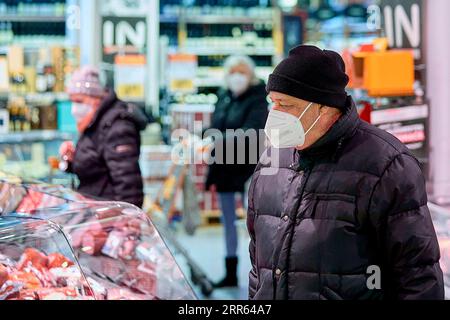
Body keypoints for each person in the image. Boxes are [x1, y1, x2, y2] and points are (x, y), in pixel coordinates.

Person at [247, 45, 444, 300]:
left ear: (323, 109)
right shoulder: (271, 162)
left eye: (287, 105)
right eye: (273, 102)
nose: (275, 115)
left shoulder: (386, 165)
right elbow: (257, 265)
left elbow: (417, 275)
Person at [205, 55, 269, 288]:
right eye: (232, 72)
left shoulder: (258, 99)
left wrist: (215, 139)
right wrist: (201, 138)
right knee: (228, 221)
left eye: (242, 72)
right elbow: (213, 125)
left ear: (250, 75)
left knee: (256, 224)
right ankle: (230, 272)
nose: (237, 76)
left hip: (248, 168)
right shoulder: (223, 97)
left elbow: (251, 131)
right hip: (223, 168)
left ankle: (262, 274)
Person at [59, 66, 147, 208]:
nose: (74, 109)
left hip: (107, 216)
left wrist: (126, 221)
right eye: (72, 101)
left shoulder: (117, 126)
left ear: (95, 98)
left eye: (80, 101)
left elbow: (128, 183)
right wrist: (72, 160)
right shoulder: (94, 121)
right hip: (94, 211)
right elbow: (95, 167)